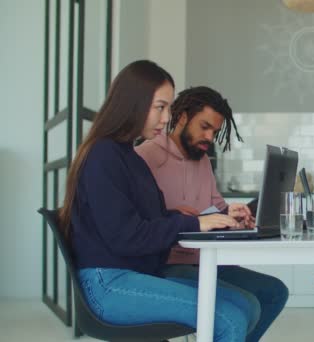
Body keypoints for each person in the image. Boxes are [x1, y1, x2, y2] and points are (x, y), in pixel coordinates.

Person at [58, 60, 259, 342]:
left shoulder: (127, 155)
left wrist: (188, 217)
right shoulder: (104, 155)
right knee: (229, 317)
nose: (167, 118)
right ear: (134, 103)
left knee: (245, 305)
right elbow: (127, 235)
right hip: (109, 282)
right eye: (160, 107)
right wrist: (194, 222)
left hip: (134, 273)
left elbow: (142, 219)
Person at [135, 85, 289, 342]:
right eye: (204, 127)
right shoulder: (144, 157)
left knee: (274, 292)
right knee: (246, 303)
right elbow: (136, 223)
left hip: (206, 259)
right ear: (182, 117)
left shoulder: (203, 160)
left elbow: (215, 207)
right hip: (167, 264)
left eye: (215, 131)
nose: (209, 137)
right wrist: (175, 214)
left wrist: (231, 213)